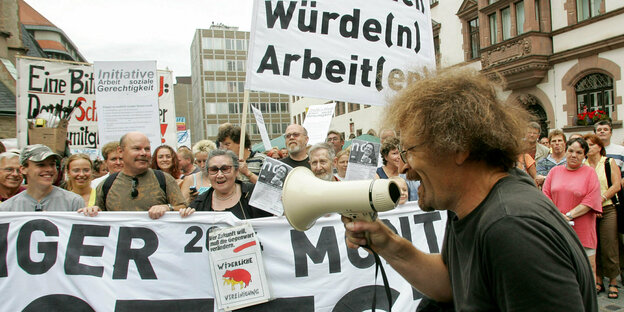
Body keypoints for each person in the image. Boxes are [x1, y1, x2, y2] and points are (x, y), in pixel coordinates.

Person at [342, 68, 596, 310]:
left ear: (459, 147)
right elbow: (451, 284)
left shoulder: (512, 228)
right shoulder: (470, 205)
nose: (406, 167)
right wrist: (386, 242)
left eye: (409, 151)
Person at [86, 132, 186, 219]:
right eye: (137, 148)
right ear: (121, 151)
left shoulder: (164, 180)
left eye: (147, 149)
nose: (143, 153)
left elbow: (183, 208)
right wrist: (92, 211)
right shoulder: (107, 185)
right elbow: (99, 215)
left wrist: (167, 208)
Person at [543, 137, 602, 280]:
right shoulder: (554, 172)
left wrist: (568, 215)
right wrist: (558, 216)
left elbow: (591, 199)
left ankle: (588, 301)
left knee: (588, 269)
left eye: (579, 152)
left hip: (583, 228)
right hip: (558, 226)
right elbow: (545, 195)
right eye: (570, 151)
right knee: (562, 269)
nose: (574, 155)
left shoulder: (590, 173)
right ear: (566, 151)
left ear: (584, 155)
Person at [179, 149, 272, 219]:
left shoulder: (254, 194)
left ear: (236, 171)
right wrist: (186, 215)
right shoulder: (199, 203)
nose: (219, 175)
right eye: (214, 170)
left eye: (225, 169)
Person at [584, 133, 622, 298]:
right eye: (587, 145)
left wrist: (600, 200)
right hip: (589, 211)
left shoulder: (608, 162)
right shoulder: (583, 165)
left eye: (592, 144)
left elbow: (616, 185)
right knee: (594, 246)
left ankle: (613, 280)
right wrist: (592, 205)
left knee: (609, 245)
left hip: (607, 209)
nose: (589, 148)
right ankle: (598, 277)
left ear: (599, 146)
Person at [0, 145, 83, 211]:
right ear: (24, 169)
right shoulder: (7, 208)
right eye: (41, 165)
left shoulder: (73, 202)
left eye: (52, 164)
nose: (49, 169)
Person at [180, 139, 217, 204]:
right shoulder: (190, 179)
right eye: (199, 161)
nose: (202, 165)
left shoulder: (222, 177)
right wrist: (190, 200)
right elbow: (182, 205)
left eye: (205, 161)